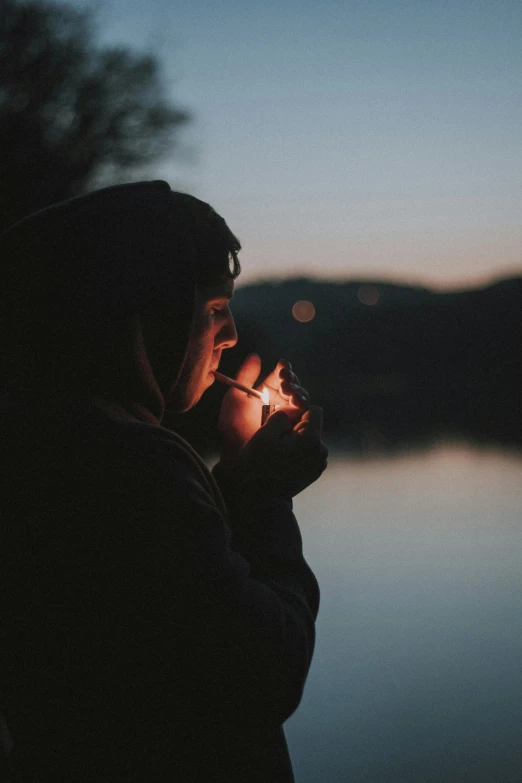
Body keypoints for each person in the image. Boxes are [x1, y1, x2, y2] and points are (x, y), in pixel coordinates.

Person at [0, 180, 327, 782]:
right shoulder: (128, 461)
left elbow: (175, 590)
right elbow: (263, 672)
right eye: (213, 311)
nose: (229, 338)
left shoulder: (39, 439)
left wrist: (236, 472)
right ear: (143, 313)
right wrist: (266, 494)